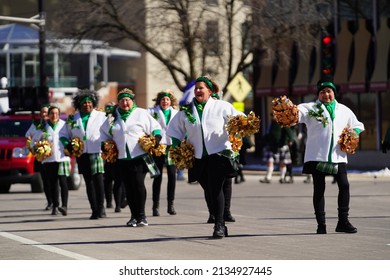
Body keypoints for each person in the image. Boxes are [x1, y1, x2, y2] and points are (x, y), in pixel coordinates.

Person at [167, 76, 244, 239]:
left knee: (215, 188)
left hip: (219, 154)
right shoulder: (186, 110)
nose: (198, 90)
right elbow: (174, 129)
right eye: (196, 88)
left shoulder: (222, 106)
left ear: (210, 91)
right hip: (197, 157)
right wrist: (176, 148)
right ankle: (220, 221)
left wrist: (235, 136)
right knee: (209, 190)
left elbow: (240, 121)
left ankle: (219, 226)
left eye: (201, 88)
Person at [293, 78, 365, 234]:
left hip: (337, 155)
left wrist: (354, 133)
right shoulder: (311, 108)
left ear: (334, 93)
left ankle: (343, 222)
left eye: (329, 91)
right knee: (319, 188)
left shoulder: (344, 110)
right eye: (322, 92)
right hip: (317, 156)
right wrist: (289, 111)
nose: (326, 95)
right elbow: (297, 113)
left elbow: (358, 125)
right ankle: (321, 224)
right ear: (318, 94)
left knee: (344, 185)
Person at [100, 88, 162, 227]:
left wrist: (156, 138)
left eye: (127, 100)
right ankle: (133, 216)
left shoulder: (140, 113)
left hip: (139, 156)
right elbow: (104, 133)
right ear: (118, 102)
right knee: (128, 187)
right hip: (122, 158)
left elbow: (155, 127)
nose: (125, 103)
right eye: (122, 100)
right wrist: (104, 145)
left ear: (132, 101)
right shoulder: (112, 117)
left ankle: (142, 215)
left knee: (138, 184)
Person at [60, 89, 107, 220]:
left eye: (89, 102)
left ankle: (101, 208)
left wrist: (106, 144)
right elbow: (63, 135)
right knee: (89, 182)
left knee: (98, 180)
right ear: (79, 105)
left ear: (93, 103)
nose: (87, 105)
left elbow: (109, 131)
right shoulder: (72, 119)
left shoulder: (101, 116)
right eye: (84, 103)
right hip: (82, 153)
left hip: (97, 151)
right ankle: (94, 209)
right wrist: (67, 144)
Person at [30, 105, 70, 216]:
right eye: (52, 113)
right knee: (53, 183)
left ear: (59, 114)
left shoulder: (64, 125)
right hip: (49, 160)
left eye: (56, 113)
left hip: (62, 158)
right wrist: (38, 149)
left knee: (63, 182)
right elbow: (33, 142)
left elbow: (72, 137)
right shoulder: (43, 127)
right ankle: (55, 205)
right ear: (48, 115)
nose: (54, 115)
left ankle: (65, 206)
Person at [147, 89, 179, 216]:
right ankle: (155, 206)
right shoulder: (151, 112)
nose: (165, 102)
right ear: (159, 101)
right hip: (158, 146)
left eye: (167, 99)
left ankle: (170, 204)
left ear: (171, 101)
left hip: (171, 146)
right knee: (157, 176)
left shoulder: (176, 113)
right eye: (163, 99)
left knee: (172, 175)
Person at [25, 104, 51, 210]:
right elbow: (28, 135)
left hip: (52, 156)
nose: (44, 114)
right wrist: (35, 145)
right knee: (45, 180)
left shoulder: (53, 124)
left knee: (53, 180)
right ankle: (50, 202)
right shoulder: (36, 124)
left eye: (46, 112)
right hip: (40, 156)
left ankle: (56, 201)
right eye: (42, 112)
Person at [102, 101, 125, 213]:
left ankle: (121, 201)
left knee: (120, 180)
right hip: (110, 155)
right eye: (107, 107)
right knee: (109, 179)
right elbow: (103, 135)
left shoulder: (118, 118)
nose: (109, 110)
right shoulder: (105, 120)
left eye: (111, 107)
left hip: (121, 154)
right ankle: (112, 202)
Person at [259, 114, 295, 184]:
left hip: (282, 145)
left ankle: (282, 178)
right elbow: (268, 134)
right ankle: (268, 177)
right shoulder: (271, 124)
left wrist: (291, 140)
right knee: (270, 161)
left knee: (283, 162)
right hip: (271, 146)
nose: (272, 117)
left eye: (274, 116)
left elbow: (289, 132)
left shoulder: (283, 123)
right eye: (272, 116)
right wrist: (264, 140)